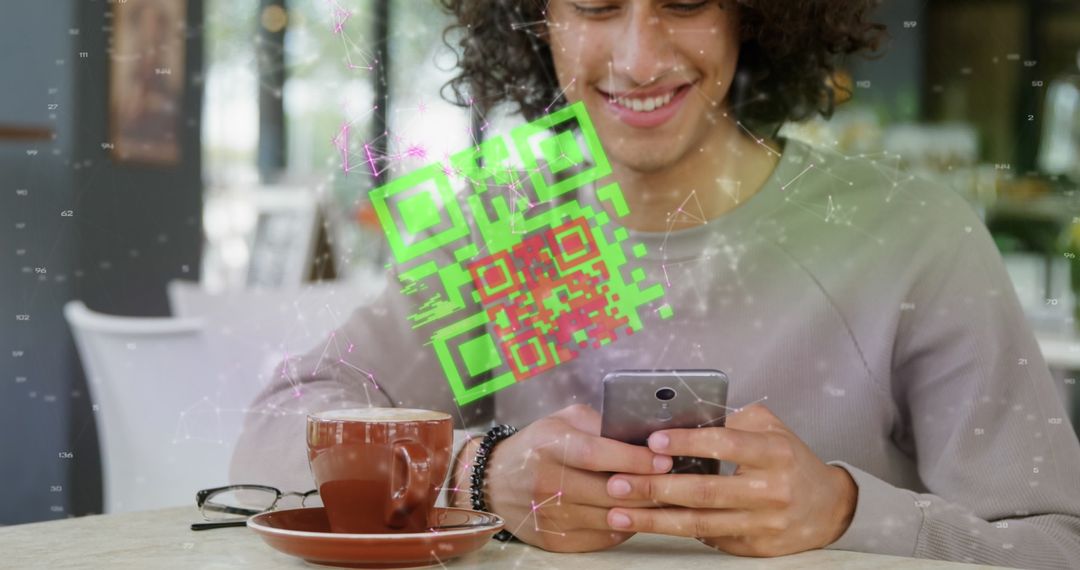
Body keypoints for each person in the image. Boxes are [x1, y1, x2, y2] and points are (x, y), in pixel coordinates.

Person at [231, 1, 1080, 567]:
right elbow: (275, 435)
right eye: (596, 4)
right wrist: (477, 475)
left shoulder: (909, 236)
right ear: (541, 19)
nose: (638, 60)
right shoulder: (517, 235)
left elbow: (1056, 539)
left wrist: (848, 513)